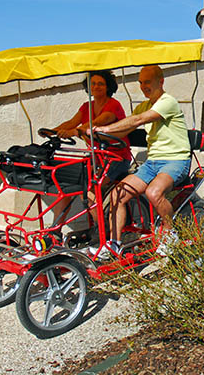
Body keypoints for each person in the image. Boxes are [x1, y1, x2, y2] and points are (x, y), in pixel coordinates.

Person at [85, 65, 191, 258]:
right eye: (141, 82)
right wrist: (99, 135)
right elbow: (126, 130)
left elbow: (138, 120)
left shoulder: (168, 102)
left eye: (147, 82)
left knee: (154, 192)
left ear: (161, 81)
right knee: (117, 195)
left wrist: (105, 128)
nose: (143, 86)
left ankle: (170, 233)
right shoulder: (143, 105)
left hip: (175, 160)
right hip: (152, 163)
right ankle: (114, 244)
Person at [48, 71, 132, 231]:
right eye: (93, 83)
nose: (96, 87)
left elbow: (97, 123)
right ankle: (55, 229)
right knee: (69, 185)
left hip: (116, 158)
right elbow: (72, 122)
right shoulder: (87, 106)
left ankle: (102, 229)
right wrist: (53, 131)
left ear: (108, 87)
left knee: (88, 187)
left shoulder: (114, 105)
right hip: (96, 158)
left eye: (100, 83)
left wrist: (74, 131)